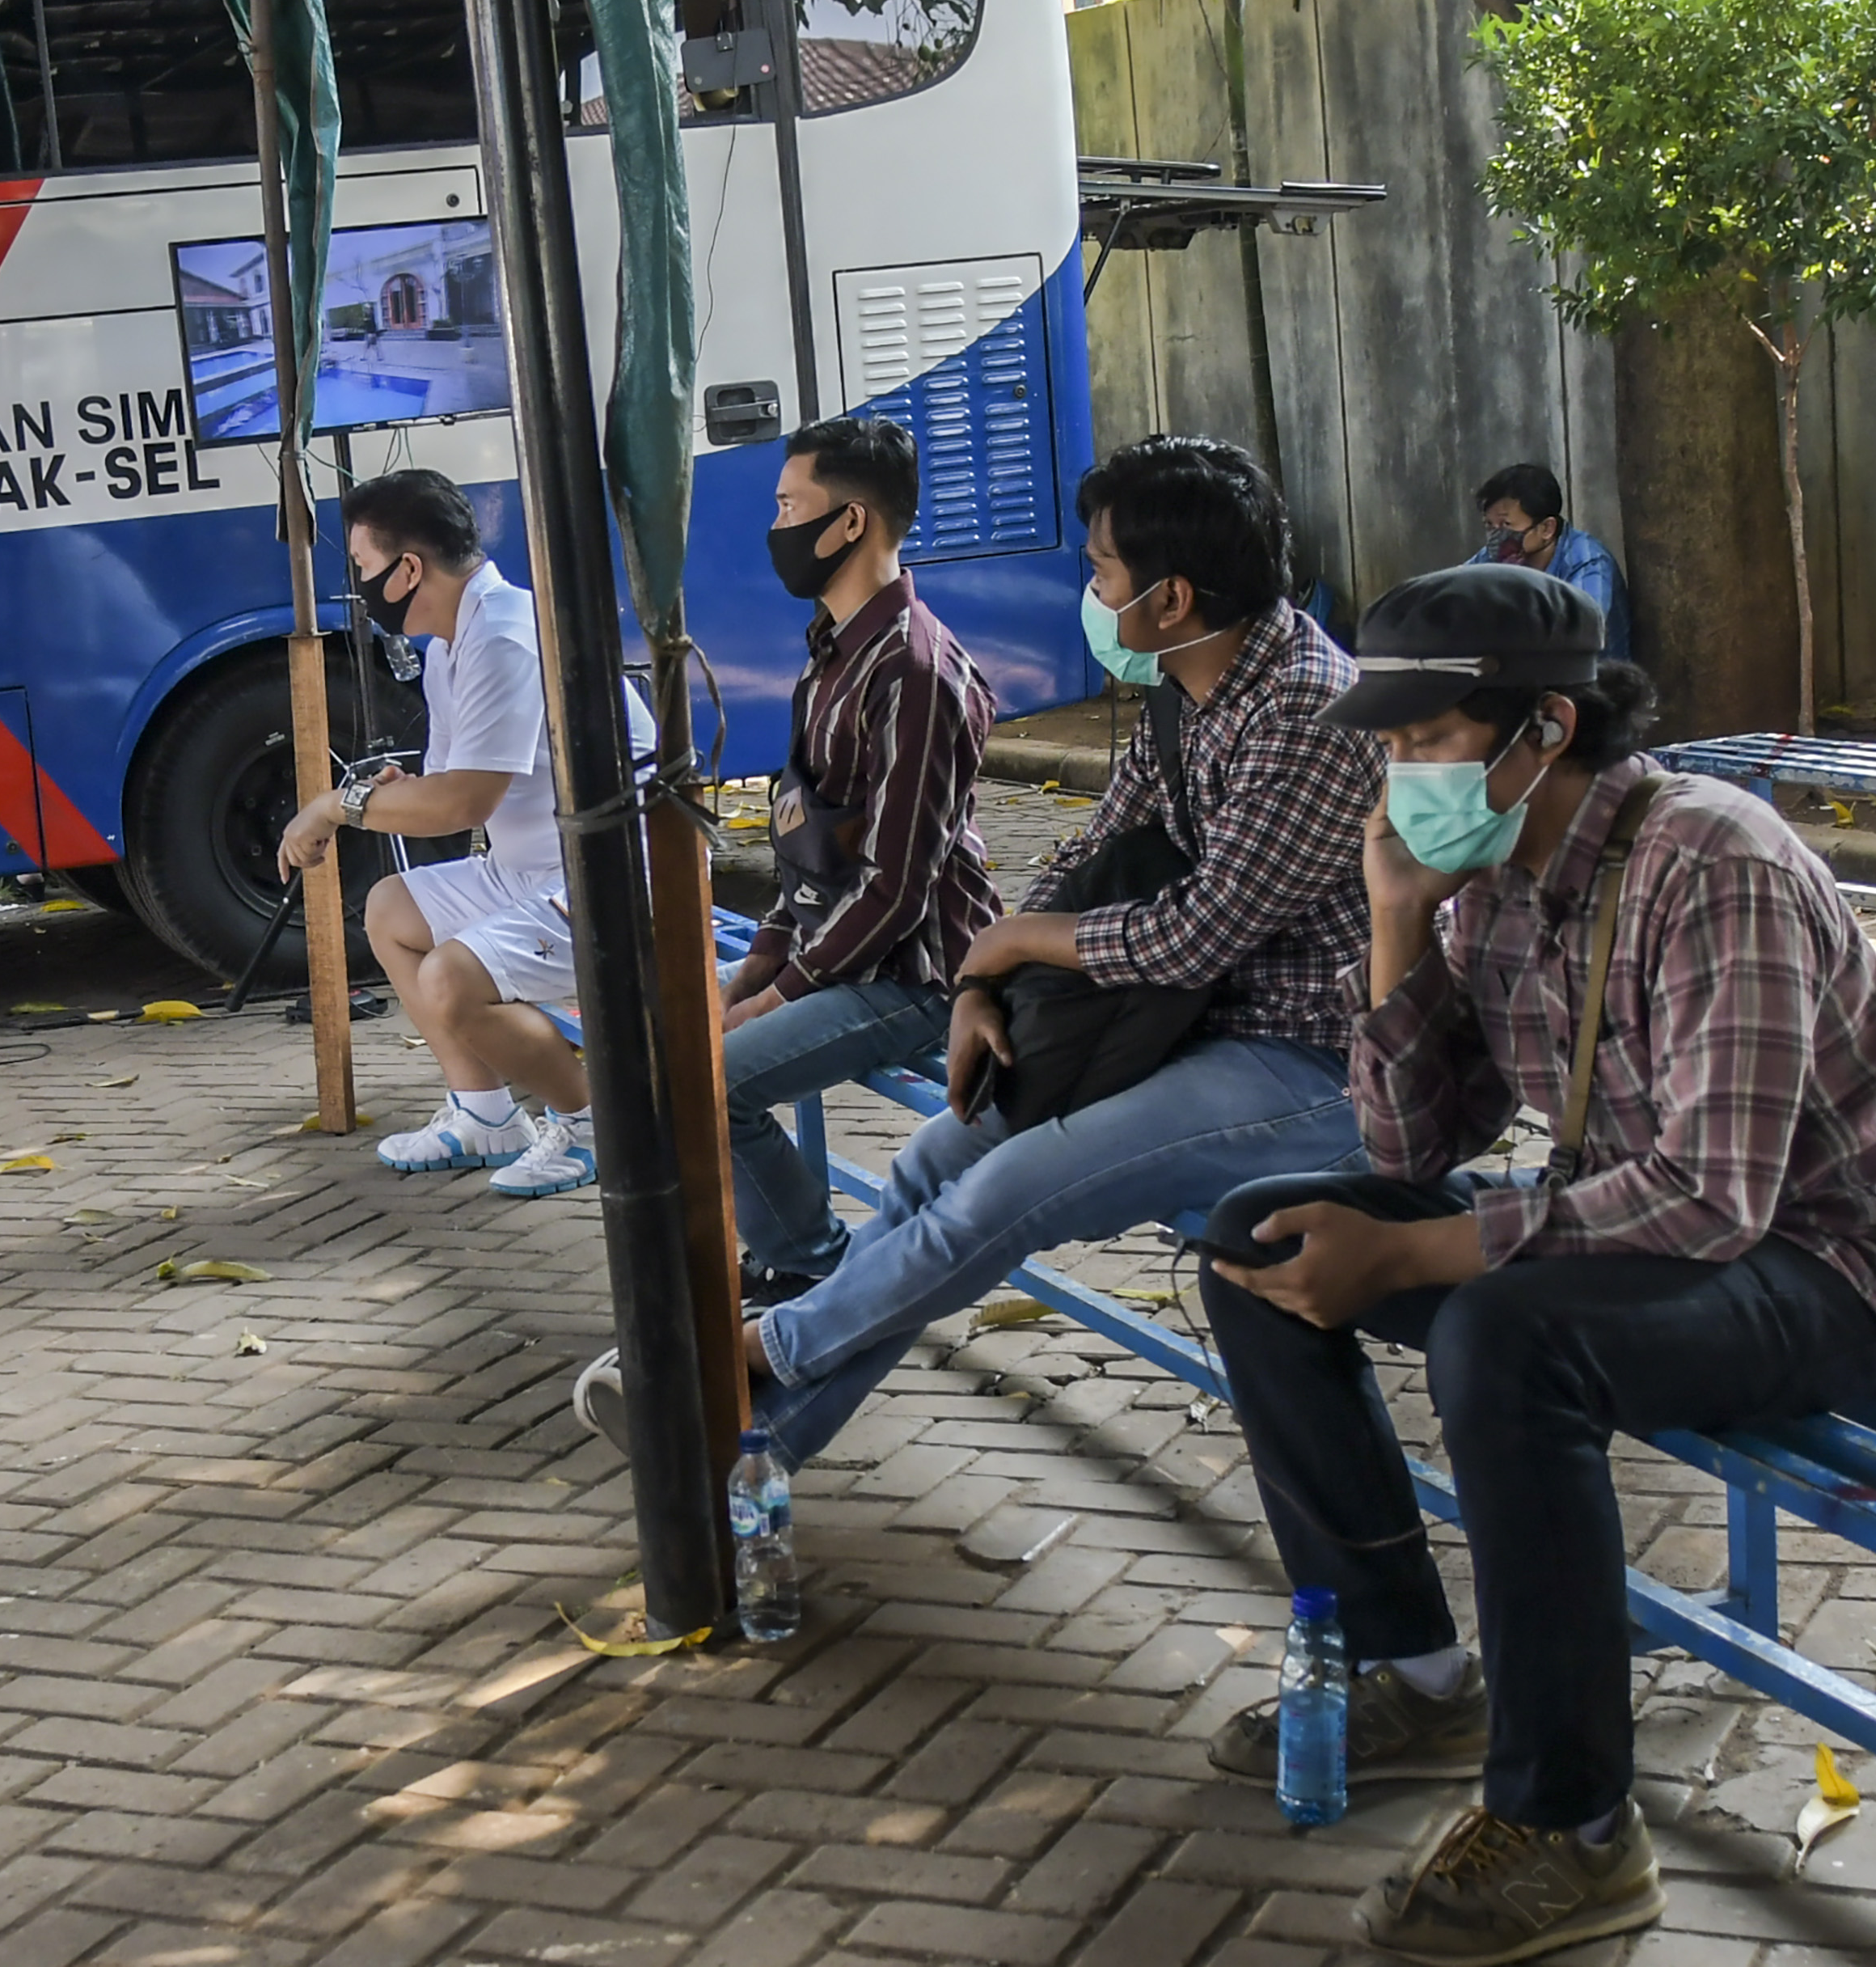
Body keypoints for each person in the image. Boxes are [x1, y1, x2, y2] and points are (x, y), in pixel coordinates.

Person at [1193, 565, 1876, 1966]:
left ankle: (1574, 1825)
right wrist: (1393, 920)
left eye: (1423, 741)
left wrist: (1419, 1250)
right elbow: (1415, 1135)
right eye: (1387, 743)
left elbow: (1714, 1196)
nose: (1396, 774)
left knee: (1501, 1339)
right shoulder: (1492, 873)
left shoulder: (1709, 861)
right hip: (1654, 1232)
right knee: (1259, 1233)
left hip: (1840, 1268)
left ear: (1541, 728)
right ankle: (1411, 1670)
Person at [577, 434, 1379, 1454]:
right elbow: (1087, 852)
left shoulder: (1308, 708)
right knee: (929, 1167)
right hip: (1161, 1024)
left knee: (1005, 1188)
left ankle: (749, 1358)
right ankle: (761, 1449)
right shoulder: (1190, 685)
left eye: (1100, 569)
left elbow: (1196, 931)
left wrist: (1005, 944)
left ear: (1168, 598)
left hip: (1303, 1061)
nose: (1089, 587)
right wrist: (979, 987)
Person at [275, 468, 653, 1199]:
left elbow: (463, 804)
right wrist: (388, 797)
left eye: (362, 568)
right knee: (390, 909)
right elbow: (444, 786)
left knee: (452, 977)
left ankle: (591, 1123)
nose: (359, 585)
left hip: (611, 881)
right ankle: (485, 1117)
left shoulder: (506, 637)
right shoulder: (452, 642)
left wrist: (333, 808)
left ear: (408, 568)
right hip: (533, 869)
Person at [721, 417, 1000, 1304]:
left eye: (787, 506)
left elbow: (896, 886)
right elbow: (808, 836)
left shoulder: (917, 673)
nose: (774, 528)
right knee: (673, 1033)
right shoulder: (830, 650)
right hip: (835, 949)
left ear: (848, 523)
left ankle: (811, 1260)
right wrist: (762, 955)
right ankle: (795, 1252)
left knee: (711, 1083)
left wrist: (774, 993)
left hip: (916, 972)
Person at [1470, 463, 1630, 662]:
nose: (1497, 536)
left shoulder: (1587, 561)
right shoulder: (1497, 554)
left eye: (1506, 525)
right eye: (1490, 526)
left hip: (1593, 683)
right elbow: (1453, 592)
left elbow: (1581, 632)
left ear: (1547, 528)